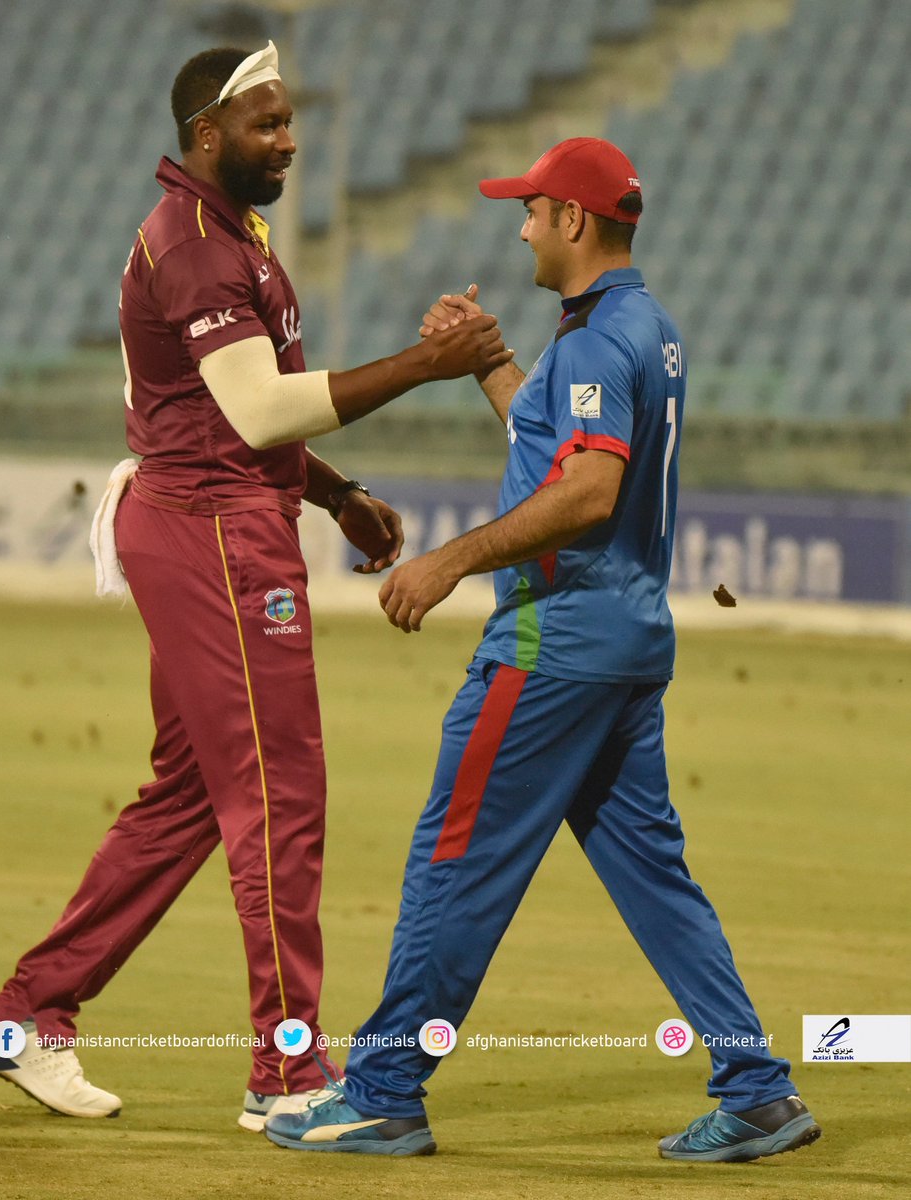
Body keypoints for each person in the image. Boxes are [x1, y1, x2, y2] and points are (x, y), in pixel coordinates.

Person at [0, 40, 510, 1132]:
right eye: (266, 123)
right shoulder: (203, 249)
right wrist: (422, 366)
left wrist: (333, 491)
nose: (289, 139)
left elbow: (228, 415)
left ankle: (26, 1014)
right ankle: (288, 1072)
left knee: (189, 798)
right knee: (278, 798)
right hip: (214, 537)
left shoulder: (219, 236)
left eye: (289, 120)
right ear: (206, 135)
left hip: (208, 520)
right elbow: (255, 415)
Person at [265, 137, 821, 1162]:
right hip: (623, 644)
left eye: (527, 209)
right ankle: (755, 1087)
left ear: (572, 220)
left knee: (451, 860)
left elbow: (585, 490)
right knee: (655, 880)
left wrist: (446, 563)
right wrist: (483, 356)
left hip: (547, 647)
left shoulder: (596, 346)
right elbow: (556, 445)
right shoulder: (639, 331)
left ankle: (383, 1087)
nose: (517, 226)